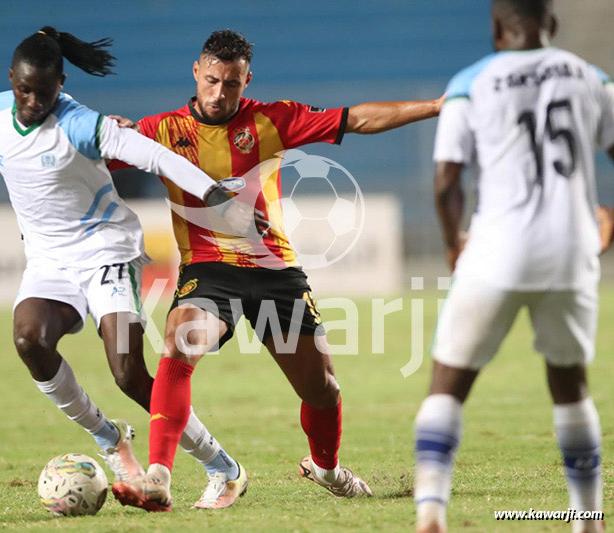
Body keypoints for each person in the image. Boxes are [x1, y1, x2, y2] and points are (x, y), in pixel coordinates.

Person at [109, 29, 445, 511]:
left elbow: (359, 118)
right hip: (210, 268)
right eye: (211, 81)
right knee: (179, 346)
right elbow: (90, 157)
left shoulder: (272, 119)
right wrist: (96, 131)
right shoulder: (161, 131)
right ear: (196, 73)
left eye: (232, 83)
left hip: (275, 271)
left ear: (247, 80)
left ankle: (325, 467)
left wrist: (434, 106)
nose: (220, 93)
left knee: (323, 389)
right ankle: (158, 474)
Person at [0, 27, 264, 495]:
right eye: (24, 90)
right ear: (11, 79)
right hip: (49, 259)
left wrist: (214, 194)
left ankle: (223, 466)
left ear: (62, 84)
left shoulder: (81, 125)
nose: (32, 102)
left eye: (45, 92)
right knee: (29, 340)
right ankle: (108, 437)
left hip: (105, 250)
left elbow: (156, 156)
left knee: (128, 374)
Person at [413, 1, 614, 532]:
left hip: (497, 249)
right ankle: (588, 518)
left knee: (447, 384)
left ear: (499, 30)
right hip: (572, 252)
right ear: (552, 25)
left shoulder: (470, 83)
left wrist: (453, 243)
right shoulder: (592, 77)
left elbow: (446, 182)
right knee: (571, 384)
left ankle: (431, 510)